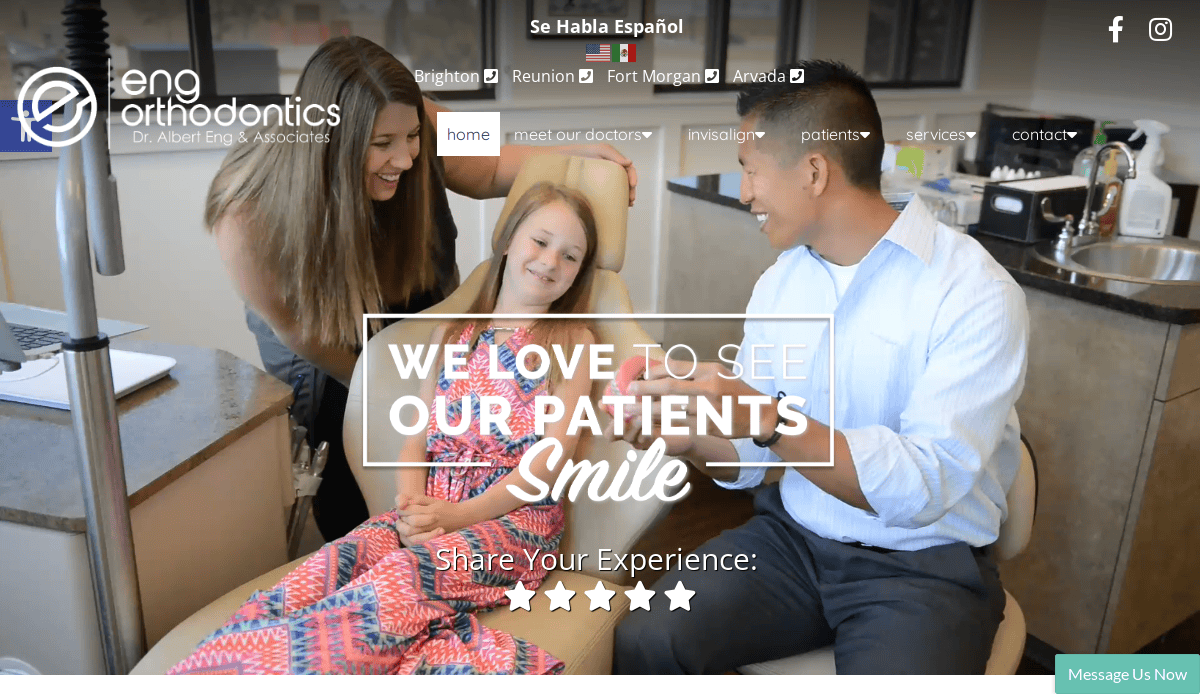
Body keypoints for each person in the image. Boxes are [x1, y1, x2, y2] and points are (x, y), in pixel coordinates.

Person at [608, 60, 1029, 674]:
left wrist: (769, 418)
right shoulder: (780, 284)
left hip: (921, 566)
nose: (745, 191)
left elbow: (922, 486)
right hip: (792, 543)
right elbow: (754, 461)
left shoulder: (976, 293)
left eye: (751, 169)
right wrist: (688, 436)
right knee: (647, 639)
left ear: (813, 171)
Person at [205, 36, 636, 541]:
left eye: (412, 137)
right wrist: (390, 388)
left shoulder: (419, 116)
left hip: (420, 301)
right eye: (383, 144)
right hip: (324, 341)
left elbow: (494, 160)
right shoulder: (245, 210)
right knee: (356, 491)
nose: (407, 158)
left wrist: (570, 155)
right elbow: (301, 332)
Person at [170, 182, 600, 675]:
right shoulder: (450, 335)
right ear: (507, 242)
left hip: (511, 525)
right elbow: (415, 436)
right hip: (431, 507)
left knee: (399, 577)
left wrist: (455, 518)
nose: (550, 262)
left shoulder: (573, 343)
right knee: (334, 563)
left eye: (570, 256)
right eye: (540, 242)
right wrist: (412, 509)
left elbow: (546, 466)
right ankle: (208, 670)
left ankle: (282, 672)